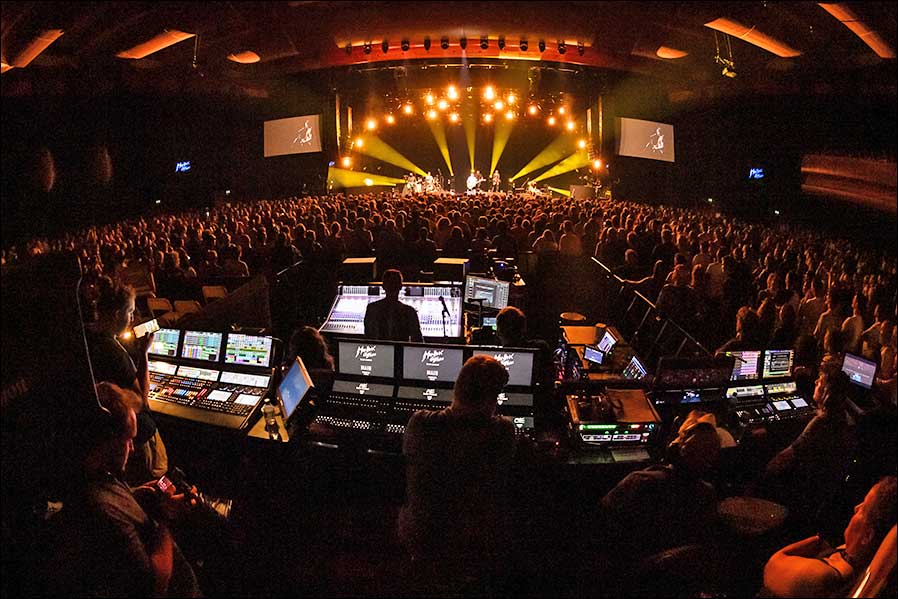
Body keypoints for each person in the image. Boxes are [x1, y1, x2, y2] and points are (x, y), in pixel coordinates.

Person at [47, 383, 201, 597]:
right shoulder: (101, 509)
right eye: (128, 439)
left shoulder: (101, 474)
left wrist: (136, 495)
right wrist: (167, 518)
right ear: (106, 442)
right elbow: (155, 586)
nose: (132, 447)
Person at [398, 355, 515, 585]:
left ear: (457, 388)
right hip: (475, 539)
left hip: (420, 534)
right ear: (492, 399)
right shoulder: (503, 431)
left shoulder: (419, 422)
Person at [601, 411, 722, 559]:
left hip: (633, 563)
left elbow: (604, 515)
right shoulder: (708, 493)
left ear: (673, 448)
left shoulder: (640, 481)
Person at [85, 277, 167, 485]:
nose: (132, 319)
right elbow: (141, 400)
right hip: (138, 439)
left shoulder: (86, 336)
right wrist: (144, 353)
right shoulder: (113, 352)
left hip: (109, 438)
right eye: (129, 312)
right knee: (153, 480)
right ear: (116, 314)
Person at [762, 476, 897, 598]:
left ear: (867, 536)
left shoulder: (825, 578)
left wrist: (816, 541)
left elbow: (772, 564)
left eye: (863, 508)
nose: (856, 508)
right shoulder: (856, 558)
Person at [364, 269, 423, 342]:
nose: (392, 286)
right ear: (401, 286)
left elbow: (368, 337)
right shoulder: (409, 312)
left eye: (394, 284)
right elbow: (418, 341)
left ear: (383, 286)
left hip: (378, 351)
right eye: (391, 284)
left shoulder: (372, 309)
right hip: (400, 352)